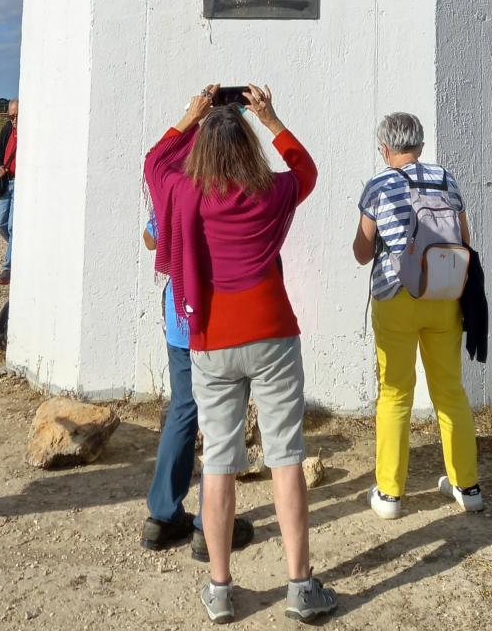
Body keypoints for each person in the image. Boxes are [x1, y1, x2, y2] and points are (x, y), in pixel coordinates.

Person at [144, 84, 337, 626]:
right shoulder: (273, 191)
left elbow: (153, 161)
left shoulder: (183, 195)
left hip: (212, 336)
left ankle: (222, 589)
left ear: (202, 150)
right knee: (286, 458)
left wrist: (190, 114)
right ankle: (300, 586)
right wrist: (270, 117)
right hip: (273, 332)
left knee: (221, 464)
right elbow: (307, 170)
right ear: (250, 147)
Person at [352, 111, 485, 520]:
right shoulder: (447, 179)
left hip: (395, 298)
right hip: (445, 294)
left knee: (395, 393)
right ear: (421, 146)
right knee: (450, 392)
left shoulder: (378, 185)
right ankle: (468, 487)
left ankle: (390, 495)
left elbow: (361, 251)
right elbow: (465, 239)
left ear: (385, 148)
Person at [140, 215, 253, 561]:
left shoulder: (176, 185)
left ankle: (161, 516)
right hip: (221, 321)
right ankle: (210, 526)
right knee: (222, 419)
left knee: (183, 409)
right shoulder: (233, 184)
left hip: (180, 316)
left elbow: (150, 238)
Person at [0, 99, 18, 286]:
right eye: (11, 116)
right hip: (6, 181)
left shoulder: (28, 131)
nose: (14, 119)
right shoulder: (7, 129)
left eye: (17, 115)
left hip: (20, 182)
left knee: (11, 226)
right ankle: (19, 248)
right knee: (0, 223)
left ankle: (8, 268)